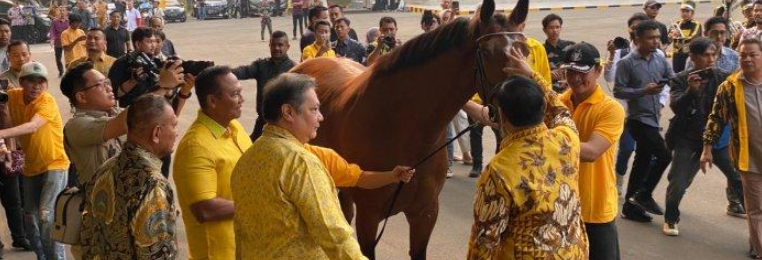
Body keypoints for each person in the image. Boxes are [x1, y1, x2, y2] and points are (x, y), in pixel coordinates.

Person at [231, 73, 366, 259]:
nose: (321, 118)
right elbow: (334, 235)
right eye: (314, 109)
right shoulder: (299, 162)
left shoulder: (247, 160)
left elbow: (241, 235)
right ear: (289, 112)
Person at [467, 57, 587, 258]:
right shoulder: (567, 139)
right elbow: (559, 108)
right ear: (542, 107)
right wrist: (533, 75)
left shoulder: (499, 170)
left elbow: (484, 242)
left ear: (502, 116)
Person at [80, 94, 178, 259]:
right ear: (156, 133)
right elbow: (156, 253)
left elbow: (88, 233)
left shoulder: (107, 167)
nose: (176, 133)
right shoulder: (152, 184)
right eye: (174, 126)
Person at [662, 38, 742, 238]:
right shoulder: (681, 79)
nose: (711, 58)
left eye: (713, 54)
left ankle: (755, 219)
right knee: (678, 182)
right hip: (688, 139)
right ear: (693, 57)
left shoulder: (723, 78)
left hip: (716, 140)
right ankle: (671, 219)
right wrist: (691, 91)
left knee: (738, 179)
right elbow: (676, 107)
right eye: (706, 55)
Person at [558, 42, 624, 259]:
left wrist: (545, 142)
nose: (575, 78)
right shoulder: (558, 103)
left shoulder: (610, 109)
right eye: (570, 71)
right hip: (560, 208)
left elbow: (591, 152)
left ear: (598, 70)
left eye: (582, 72)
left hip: (595, 209)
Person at [0, 62, 70, 260]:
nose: (36, 86)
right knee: (30, 218)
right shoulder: (11, 97)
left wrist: (1, 133)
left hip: (55, 164)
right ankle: (42, 257)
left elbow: (32, 127)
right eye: (31, 81)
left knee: (46, 216)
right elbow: (9, 119)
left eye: (41, 82)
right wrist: (4, 110)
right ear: (21, 82)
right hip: (31, 167)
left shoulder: (46, 101)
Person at [614, 20, 674, 222]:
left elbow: (671, 77)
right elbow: (618, 90)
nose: (656, 41)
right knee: (664, 155)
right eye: (650, 37)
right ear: (637, 39)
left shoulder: (660, 57)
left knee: (642, 162)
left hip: (654, 117)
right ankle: (644, 194)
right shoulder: (627, 63)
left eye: (657, 37)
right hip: (637, 119)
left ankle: (630, 208)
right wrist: (644, 91)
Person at [234, 31, 296, 140]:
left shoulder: (294, 70)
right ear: (269, 45)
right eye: (273, 45)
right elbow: (242, 72)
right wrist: (219, 73)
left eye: (280, 45)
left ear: (288, 47)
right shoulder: (261, 66)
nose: (276, 48)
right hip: (263, 122)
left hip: (285, 126)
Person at [542, 13, 575, 93]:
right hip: (549, 94)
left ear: (561, 28)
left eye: (557, 27)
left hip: (570, 92)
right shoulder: (540, 49)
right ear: (544, 30)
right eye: (551, 27)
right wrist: (548, 76)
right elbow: (534, 74)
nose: (555, 30)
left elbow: (580, 67)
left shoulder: (571, 46)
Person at [669, 1, 702, 73]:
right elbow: (668, 39)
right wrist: (672, 35)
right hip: (677, 55)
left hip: (689, 55)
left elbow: (693, 38)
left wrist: (679, 37)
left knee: (689, 74)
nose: (684, 13)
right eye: (683, 11)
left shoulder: (696, 24)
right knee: (677, 74)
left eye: (687, 11)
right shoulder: (676, 23)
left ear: (692, 13)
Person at [49, 12, 69, 76]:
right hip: (58, 42)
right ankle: (61, 71)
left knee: (69, 58)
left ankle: (69, 71)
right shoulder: (55, 21)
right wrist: (52, 39)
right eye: (60, 11)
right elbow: (52, 30)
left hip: (67, 42)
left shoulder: (69, 21)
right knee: (58, 58)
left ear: (66, 12)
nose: (62, 12)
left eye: (63, 11)